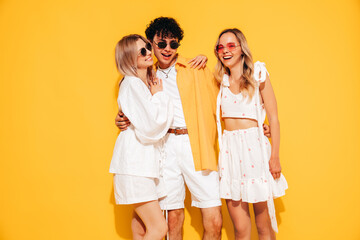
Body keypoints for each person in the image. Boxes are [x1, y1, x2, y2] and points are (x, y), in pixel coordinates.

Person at [116, 17, 223, 240]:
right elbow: (136, 108)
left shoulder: (195, 67)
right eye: (161, 43)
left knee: (213, 216)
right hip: (163, 146)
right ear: (151, 44)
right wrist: (121, 119)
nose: (167, 49)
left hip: (195, 143)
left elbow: (222, 99)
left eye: (173, 44)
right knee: (172, 218)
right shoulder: (144, 73)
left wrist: (256, 121)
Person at [214, 28, 288, 240]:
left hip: (255, 151)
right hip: (230, 153)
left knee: (264, 227)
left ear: (241, 48)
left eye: (231, 45)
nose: (225, 51)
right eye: (221, 47)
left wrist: (274, 157)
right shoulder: (220, 81)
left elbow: (273, 118)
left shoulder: (258, 73)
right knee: (240, 229)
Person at [109, 34, 174, 240]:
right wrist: (159, 96)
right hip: (135, 167)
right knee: (159, 229)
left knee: (140, 227)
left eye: (147, 47)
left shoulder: (140, 83)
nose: (148, 52)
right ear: (129, 58)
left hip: (141, 166)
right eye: (142, 51)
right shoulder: (132, 84)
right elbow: (151, 126)